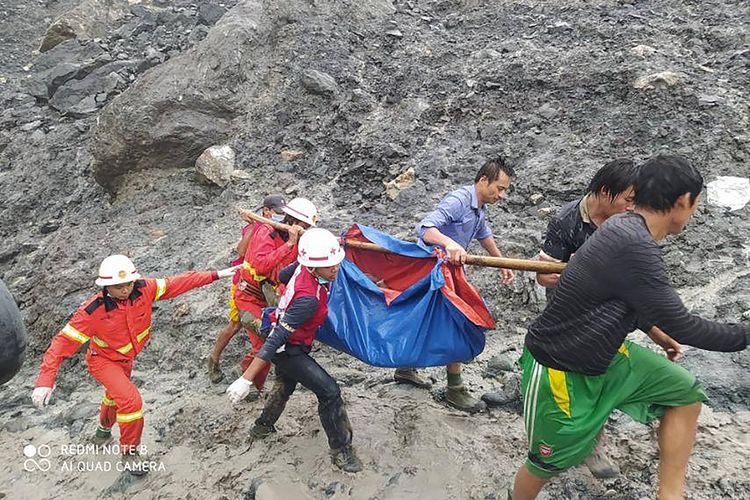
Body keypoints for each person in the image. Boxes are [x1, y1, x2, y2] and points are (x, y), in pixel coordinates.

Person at [511, 155, 750, 499]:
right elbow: (687, 327)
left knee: (683, 393)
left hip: (605, 352)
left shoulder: (623, 228)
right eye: (695, 205)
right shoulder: (634, 244)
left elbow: (624, 298)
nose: (694, 213)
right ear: (683, 201)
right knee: (545, 463)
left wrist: (655, 330)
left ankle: (670, 495)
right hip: (558, 367)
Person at [531, 158, 682, 479]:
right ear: (604, 192)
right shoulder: (567, 220)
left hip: (610, 315)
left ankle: (594, 442)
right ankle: (555, 443)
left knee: (601, 378)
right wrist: (584, 272)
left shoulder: (631, 225)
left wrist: (656, 331)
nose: (634, 207)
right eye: (629, 199)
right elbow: (545, 276)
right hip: (570, 317)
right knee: (572, 385)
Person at [31, 255, 239, 475]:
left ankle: (102, 432)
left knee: (115, 396)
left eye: (128, 284)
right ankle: (130, 453)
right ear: (106, 286)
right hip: (102, 361)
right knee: (131, 402)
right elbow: (61, 344)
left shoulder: (144, 289)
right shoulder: (91, 312)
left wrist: (215, 275)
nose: (125, 290)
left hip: (126, 359)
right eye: (118, 286)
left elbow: (177, 283)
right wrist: (45, 381)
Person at [226, 228, 363, 472]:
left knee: (286, 384)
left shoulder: (302, 268)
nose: (336, 268)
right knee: (330, 392)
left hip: (291, 339)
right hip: (287, 347)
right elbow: (277, 338)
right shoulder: (308, 299)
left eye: (336, 262)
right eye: (330, 265)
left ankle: (262, 426)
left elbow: (283, 275)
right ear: (312, 267)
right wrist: (246, 379)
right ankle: (341, 451)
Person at [398, 156, 516, 413]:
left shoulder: (479, 208)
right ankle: (455, 389)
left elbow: (484, 236)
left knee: (427, 322)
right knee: (456, 323)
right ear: (484, 180)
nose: (502, 195)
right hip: (432, 273)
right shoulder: (459, 200)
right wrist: (449, 244)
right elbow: (425, 228)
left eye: (505, 190)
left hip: (449, 273)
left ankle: (405, 368)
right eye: (500, 188)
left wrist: (502, 262)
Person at [231, 197, 318, 396]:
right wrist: (289, 244)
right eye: (304, 225)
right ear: (293, 221)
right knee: (266, 342)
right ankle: (249, 380)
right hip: (248, 297)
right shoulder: (266, 233)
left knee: (274, 340)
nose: (305, 228)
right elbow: (261, 265)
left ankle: (254, 381)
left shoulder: (296, 239)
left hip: (271, 297)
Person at [207, 194, 286, 383]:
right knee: (236, 325)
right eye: (278, 213)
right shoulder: (257, 228)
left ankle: (244, 372)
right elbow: (241, 251)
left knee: (250, 326)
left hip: (263, 288)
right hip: (244, 284)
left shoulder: (278, 230)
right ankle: (215, 360)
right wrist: (254, 226)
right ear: (266, 211)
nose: (281, 216)